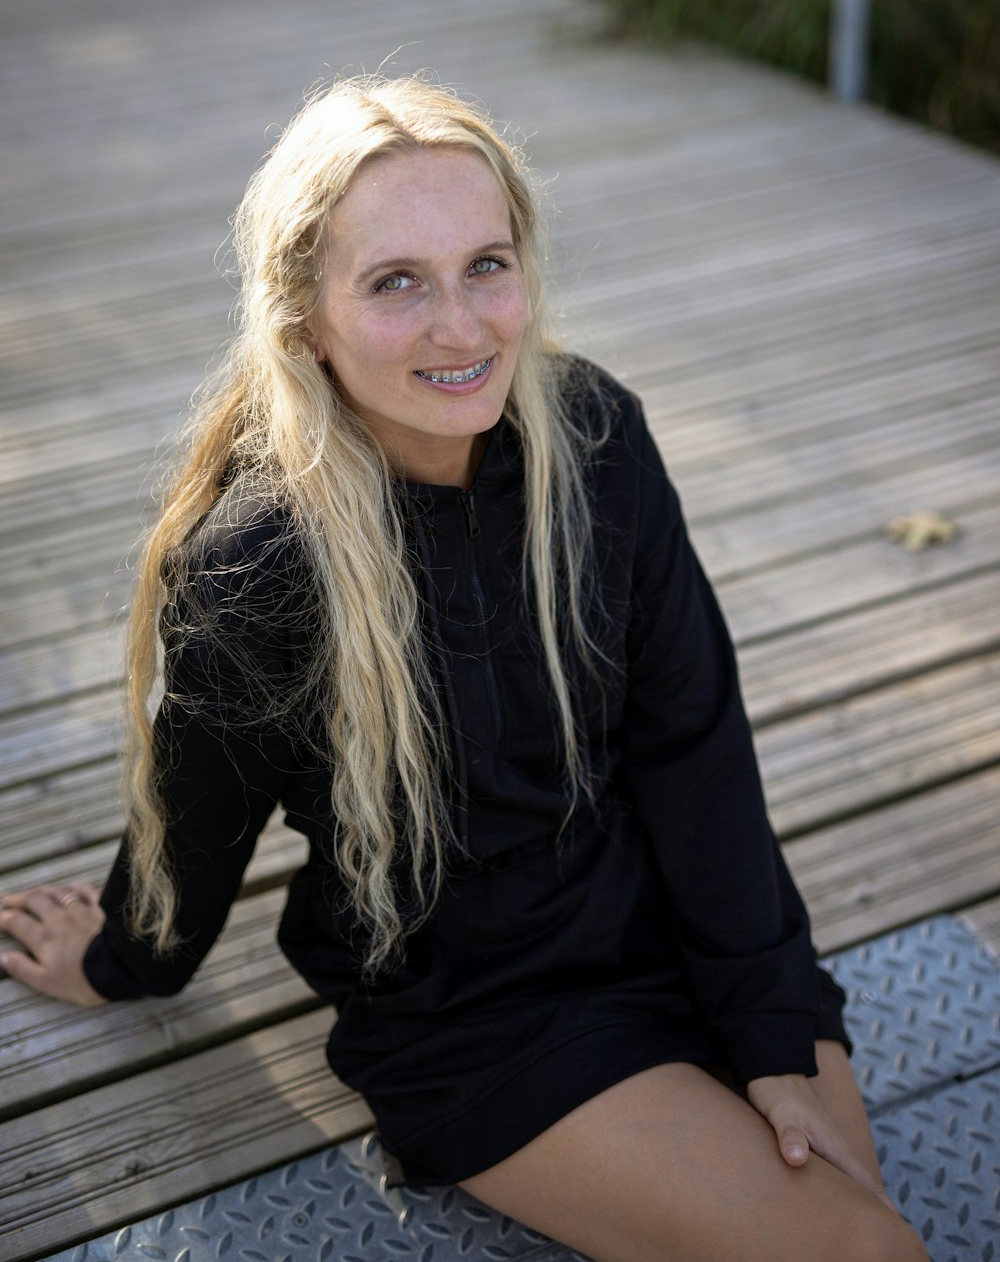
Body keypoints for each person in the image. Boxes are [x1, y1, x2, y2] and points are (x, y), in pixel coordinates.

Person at [0, 76, 928, 1262]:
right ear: (301, 317)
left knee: (874, 1231)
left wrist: (769, 1017)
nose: (462, 325)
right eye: (396, 281)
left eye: (486, 264)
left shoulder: (595, 438)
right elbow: (198, 811)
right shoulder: (259, 563)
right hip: (474, 1000)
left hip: (662, 911)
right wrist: (127, 951)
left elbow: (692, 746)